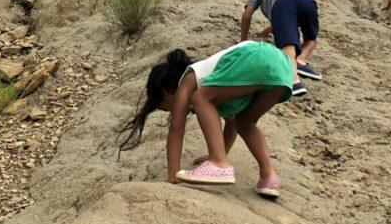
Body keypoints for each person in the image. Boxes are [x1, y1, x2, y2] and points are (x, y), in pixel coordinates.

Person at [117, 42, 293, 197]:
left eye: (166, 106)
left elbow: (176, 129)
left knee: (200, 97)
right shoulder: (223, 86)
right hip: (283, 66)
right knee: (244, 122)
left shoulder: (188, 80)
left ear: (166, 91)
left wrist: (173, 176)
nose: (172, 110)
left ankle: (218, 163)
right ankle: (269, 176)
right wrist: (219, 150)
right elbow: (231, 123)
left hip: (257, 56)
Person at [240, 0, 321, 97]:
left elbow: (247, 14)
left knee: (288, 44)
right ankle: (301, 59)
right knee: (311, 39)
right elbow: (284, 19)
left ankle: (294, 79)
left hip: (282, 2)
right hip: (306, 0)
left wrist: (243, 39)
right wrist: (266, 32)